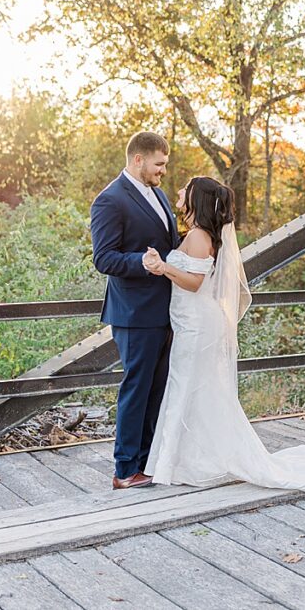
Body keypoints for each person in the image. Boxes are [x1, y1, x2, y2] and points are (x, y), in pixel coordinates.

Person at [141, 176, 305, 500]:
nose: (179, 192)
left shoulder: (201, 236)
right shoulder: (198, 234)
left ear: (196, 199)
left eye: (184, 189)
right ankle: (192, 462)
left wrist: (163, 268)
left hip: (199, 325)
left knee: (192, 387)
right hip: (193, 323)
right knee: (193, 389)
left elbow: (195, 283)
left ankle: (195, 463)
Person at [90, 131, 179, 489]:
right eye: (159, 164)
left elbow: (166, 244)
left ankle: (147, 461)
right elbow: (104, 258)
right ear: (138, 159)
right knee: (136, 388)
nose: (163, 171)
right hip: (134, 313)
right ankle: (125, 470)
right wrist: (142, 262)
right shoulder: (109, 200)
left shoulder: (158, 194)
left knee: (156, 390)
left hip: (165, 310)